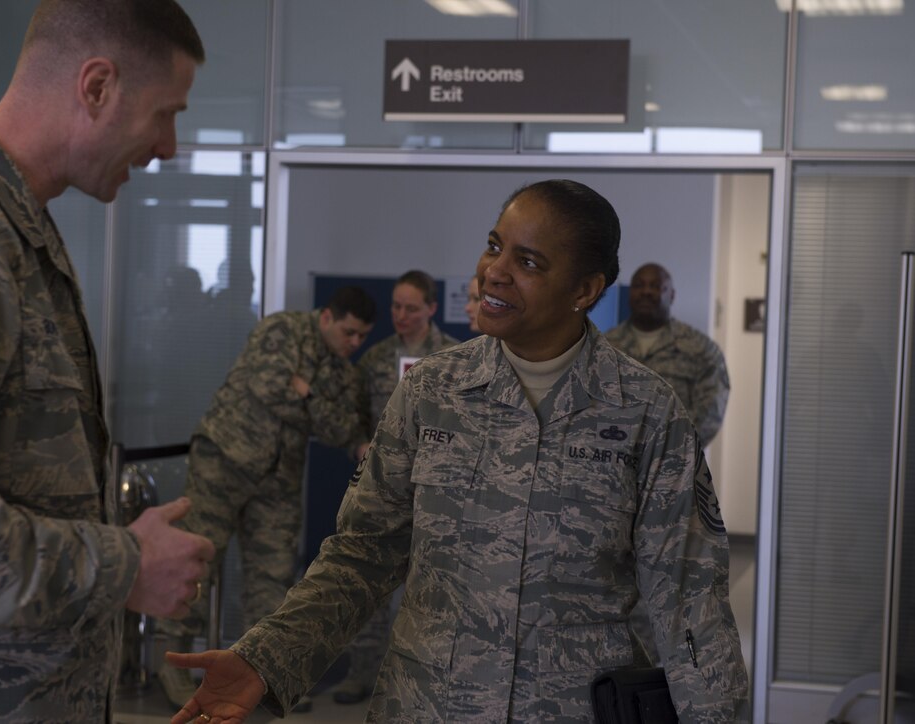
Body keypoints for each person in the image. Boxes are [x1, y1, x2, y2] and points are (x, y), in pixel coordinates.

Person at [165, 179, 749, 723]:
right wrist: (266, 660)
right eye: (495, 246)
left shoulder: (646, 413)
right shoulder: (430, 393)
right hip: (426, 707)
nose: (493, 272)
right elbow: (360, 557)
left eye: (528, 262)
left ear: (585, 290)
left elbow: (690, 603)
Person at [0, 1, 214, 721]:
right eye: (165, 112)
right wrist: (127, 566)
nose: (168, 145)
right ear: (96, 86)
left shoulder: (18, 229)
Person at [156, 286, 377, 710]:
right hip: (225, 459)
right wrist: (313, 402)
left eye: (362, 336)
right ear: (327, 316)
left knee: (271, 578)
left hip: (278, 480)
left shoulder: (344, 372)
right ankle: (174, 664)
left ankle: (258, 676)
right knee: (197, 559)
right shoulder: (283, 329)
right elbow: (267, 386)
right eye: (349, 332)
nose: (354, 343)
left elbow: (341, 430)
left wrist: (305, 391)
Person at [327, 270, 460, 705]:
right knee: (368, 574)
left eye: (411, 308)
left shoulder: (454, 358)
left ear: (431, 309)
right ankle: (362, 671)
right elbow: (354, 418)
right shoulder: (376, 359)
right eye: (395, 307)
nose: (401, 315)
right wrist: (359, 444)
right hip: (382, 487)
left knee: (426, 586)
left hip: (437, 491)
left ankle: (415, 680)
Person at [605, 263, 731, 446]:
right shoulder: (605, 347)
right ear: (630, 293)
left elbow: (710, 413)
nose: (646, 292)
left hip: (673, 465)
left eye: (656, 286)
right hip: (611, 461)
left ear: (671, 295)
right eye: (639, 285)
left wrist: (668, 451)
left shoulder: (700, 349)